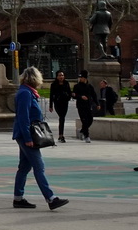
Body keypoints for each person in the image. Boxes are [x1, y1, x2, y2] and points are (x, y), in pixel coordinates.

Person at [12, 66, 69, 211]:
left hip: (26, 134)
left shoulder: (28, 92)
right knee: (39, 166)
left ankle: (18, 198)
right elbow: (23, 118)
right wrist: (27, 138)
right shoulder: (25, 93)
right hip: (27, 135)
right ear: (34, 79)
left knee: (24, 167)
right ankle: (51, 199)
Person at [72, 70, 97, 143]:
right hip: (80, 105)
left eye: (82, 77)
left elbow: (94, 95)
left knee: (90, 119)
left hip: (88, 105)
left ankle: (82, 130)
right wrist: (80, 96)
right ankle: (87, 135)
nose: (80, 79)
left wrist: (97, 104)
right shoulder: (76, 86)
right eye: (80, 77)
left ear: (85, 78)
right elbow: (74, 95)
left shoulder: (89, 86)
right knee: (84, 120)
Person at [48, 71, 73, 143]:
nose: (61, 77)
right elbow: (51, 95)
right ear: (57, 76)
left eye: (62, 75)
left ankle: (61, 135)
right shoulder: (53, 84)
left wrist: (68, 97)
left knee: (62, 118)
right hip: (57, 103)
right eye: (59, 75)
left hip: (65, 103)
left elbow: (69, 92)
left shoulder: (66, 83)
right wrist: (51, 106)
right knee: (61, 117)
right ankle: (61, 135)